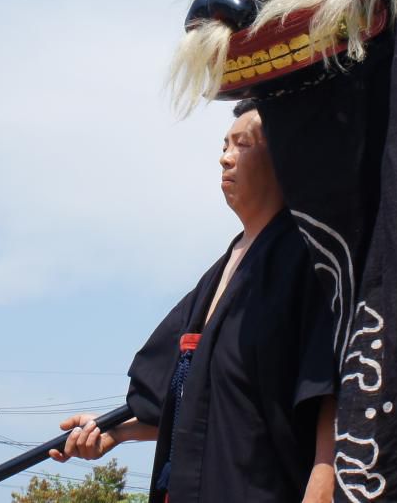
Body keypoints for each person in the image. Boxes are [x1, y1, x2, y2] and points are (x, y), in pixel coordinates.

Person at [50, 100, 336, 502]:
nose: (225, 158)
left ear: (283, 155)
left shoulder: (311, 262)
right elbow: (192, 402)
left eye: (242, 145)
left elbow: (332, 391)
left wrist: (322, 490)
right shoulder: (216, 277)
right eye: (224, 145)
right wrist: (114, 431)